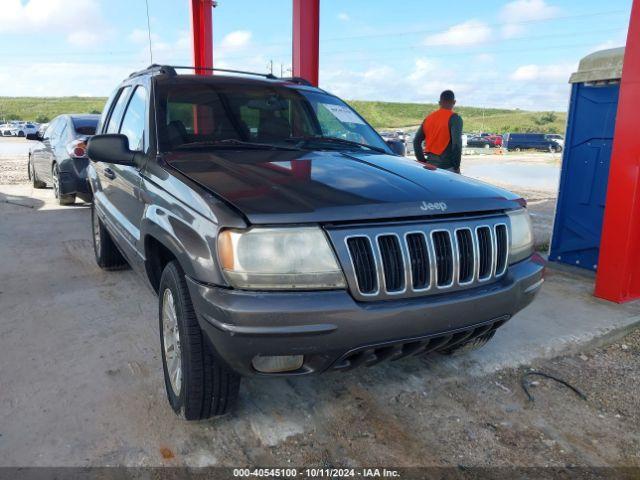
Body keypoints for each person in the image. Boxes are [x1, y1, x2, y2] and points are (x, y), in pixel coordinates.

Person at [413, 90, 463, 173]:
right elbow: (457, 144)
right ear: (454, 102)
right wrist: (456, 166)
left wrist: (422, 161)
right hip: (447, 167)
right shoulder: (455, 118)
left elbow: (416, 141)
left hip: (429, 167)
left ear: (439, 102)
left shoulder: (428, 118)